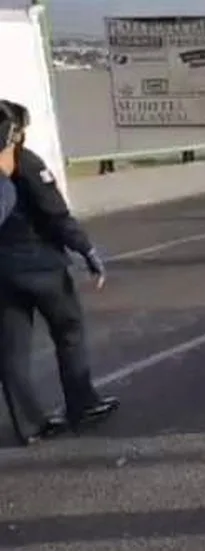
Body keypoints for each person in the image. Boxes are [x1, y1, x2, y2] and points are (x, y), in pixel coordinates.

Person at [0, 99, 118, 446]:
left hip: (3, 275)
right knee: (69, 333)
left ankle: (30, 425)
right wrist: (87, 249)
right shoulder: (24, 162)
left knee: (12, 350)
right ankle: (82, 405)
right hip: (41, 268)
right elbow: (56, 214)